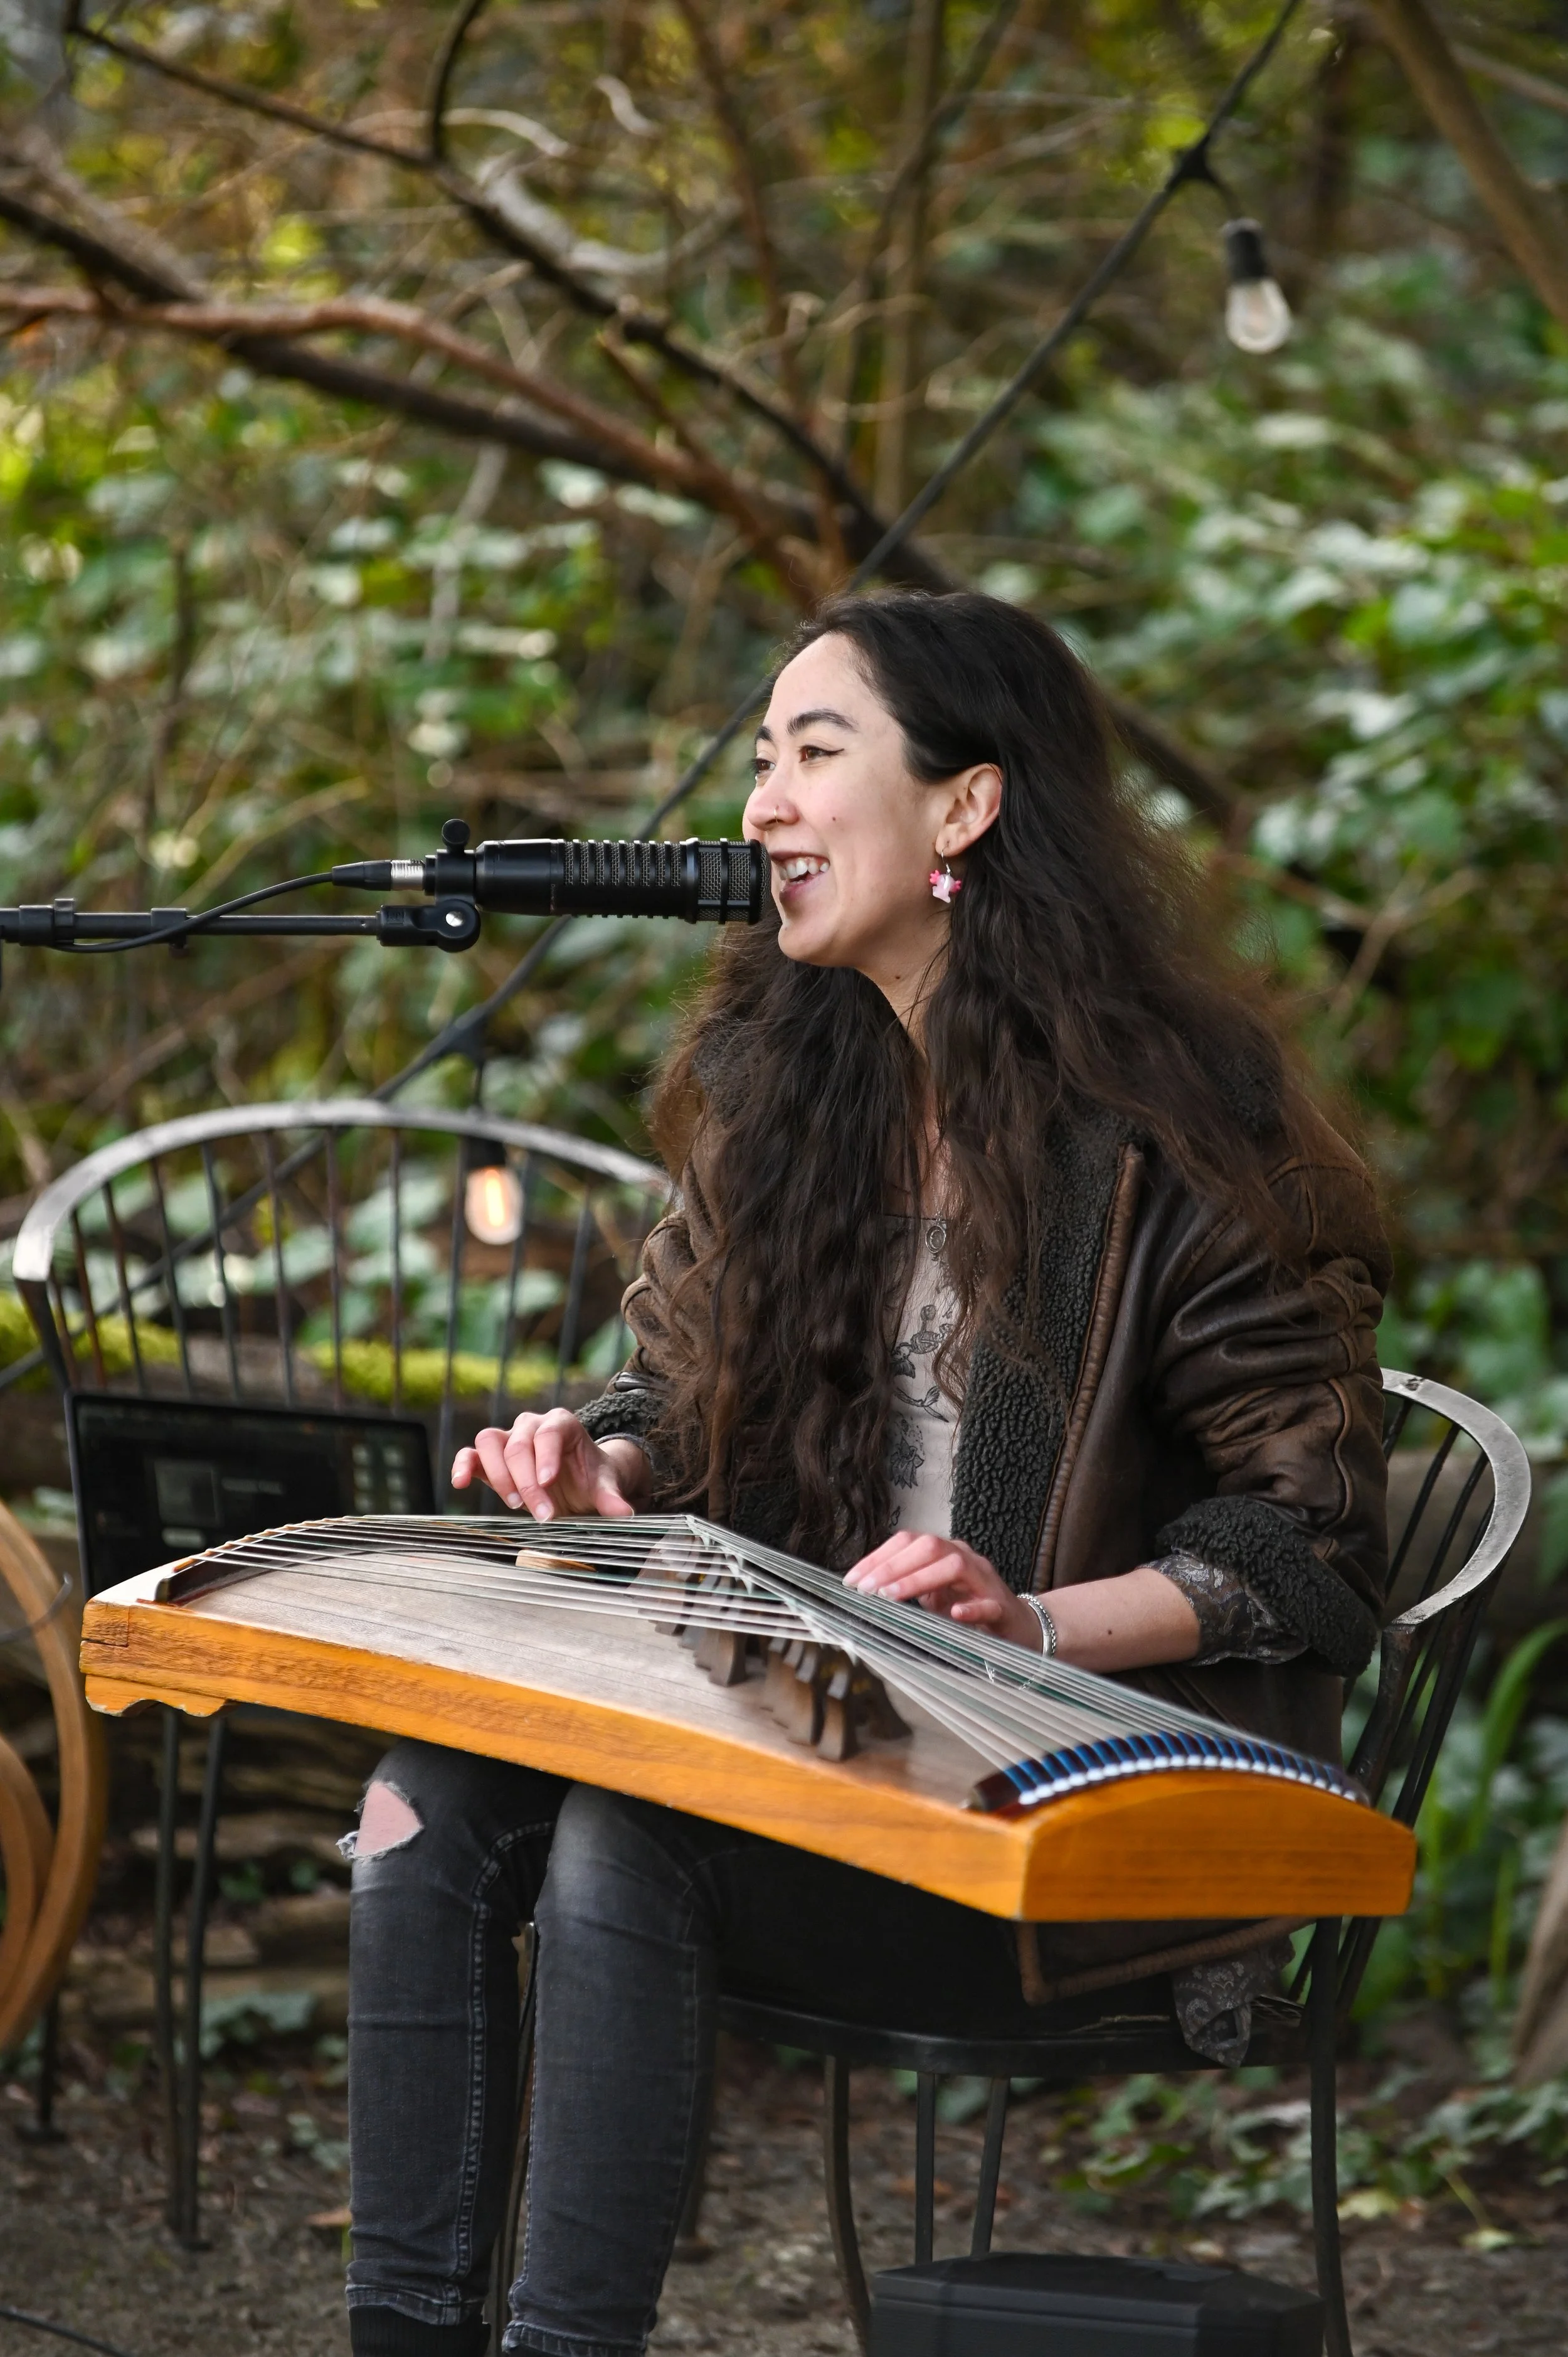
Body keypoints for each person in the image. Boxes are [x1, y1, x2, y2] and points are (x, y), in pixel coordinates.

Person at [345, 590, 1390, 2357]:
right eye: (760, 757)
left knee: (619, 1830)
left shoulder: (1172, 1132)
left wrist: (1025, 1614)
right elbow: (669, 1404)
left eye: (813, 753)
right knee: (422, 1803)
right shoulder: (785, 1088)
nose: (758, 802)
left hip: (1056, 1821)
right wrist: (598, 1467)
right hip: (803, 1765)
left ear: (964, 808)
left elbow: (1313, 1537)